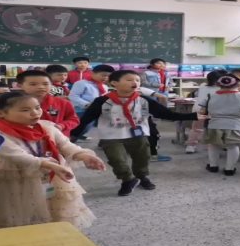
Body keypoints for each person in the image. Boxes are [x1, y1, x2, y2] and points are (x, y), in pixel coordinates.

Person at [0, 91, 106, 230]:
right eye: (25, 110)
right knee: (22, 212)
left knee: (53, 207)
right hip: (18, 178)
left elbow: (65, 145)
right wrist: (47, 164)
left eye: (37, 107)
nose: (35, 113)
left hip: (53, 176)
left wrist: (83, 155)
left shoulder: (46, 126)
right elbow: (18, 156)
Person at [70, 70, 205, 196]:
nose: (135, 82)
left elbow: (166, 114)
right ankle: (127, 179)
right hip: (111, 136)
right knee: (117, 160)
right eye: (129, 80)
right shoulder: (102, 101)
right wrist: (73, 134)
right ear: (114, 83)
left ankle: (142, 177)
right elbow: (86, 119)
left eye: (137, 80)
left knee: (142, 158)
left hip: (138, 135)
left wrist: (193, 116)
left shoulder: (144, 100)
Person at [199, 74, 240, 175]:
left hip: (214, 124)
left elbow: (202, 111)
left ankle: (213, 166)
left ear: (218, 84)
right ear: (238, 84)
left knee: (213, 145)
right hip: (236, 125)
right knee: (232, 146)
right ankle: (229, 169)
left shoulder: (210, 96)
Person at [16, 70, 80, 137]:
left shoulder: (63, 103)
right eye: (33, 84)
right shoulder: (14, 104)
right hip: (25, 138)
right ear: (20, 85)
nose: (41, 87)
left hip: (57, 138)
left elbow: (74, 120)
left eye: (45, 84)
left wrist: (61, 126)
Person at [68, 64, 115, 140]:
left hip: (94, 111)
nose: (105, 78)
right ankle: (67, 142)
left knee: (85, 129)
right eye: (103, 75)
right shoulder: (81, 83)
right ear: (93, 73)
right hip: (80, 111)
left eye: (108, 76)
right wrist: (86, 104)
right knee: (76, 129)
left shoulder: (104, 87)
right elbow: (73, 96)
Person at [185, 69, 226, 154]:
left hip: (199, 109)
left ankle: (191, 145)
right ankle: (212, 145)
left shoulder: (203, 85)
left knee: (196, 129)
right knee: (212, 129)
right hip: (210, 111)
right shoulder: (220, 89)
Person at [141, 59, 173, 162]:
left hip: (163, 94)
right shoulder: (146, 73)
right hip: (151, 94)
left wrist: (169, 87)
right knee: (150, 115)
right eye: (158, 63)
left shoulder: (166, 73)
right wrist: (156, 85)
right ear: (152, 64)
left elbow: (170, 82)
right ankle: (151, 153)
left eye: (163, 63)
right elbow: (143, 83)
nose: (161, 65)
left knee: (159, 112)